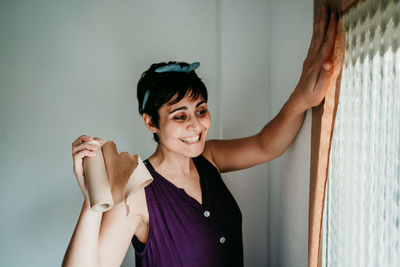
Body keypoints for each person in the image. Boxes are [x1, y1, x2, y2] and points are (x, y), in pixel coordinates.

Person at [63, 5, 338, 267]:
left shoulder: (210, 158)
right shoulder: (135, 192)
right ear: (150, 122)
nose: (196, 125)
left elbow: (266, 145)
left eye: (201, 110)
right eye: (180, 116)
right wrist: (91, 203)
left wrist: (302, 96)